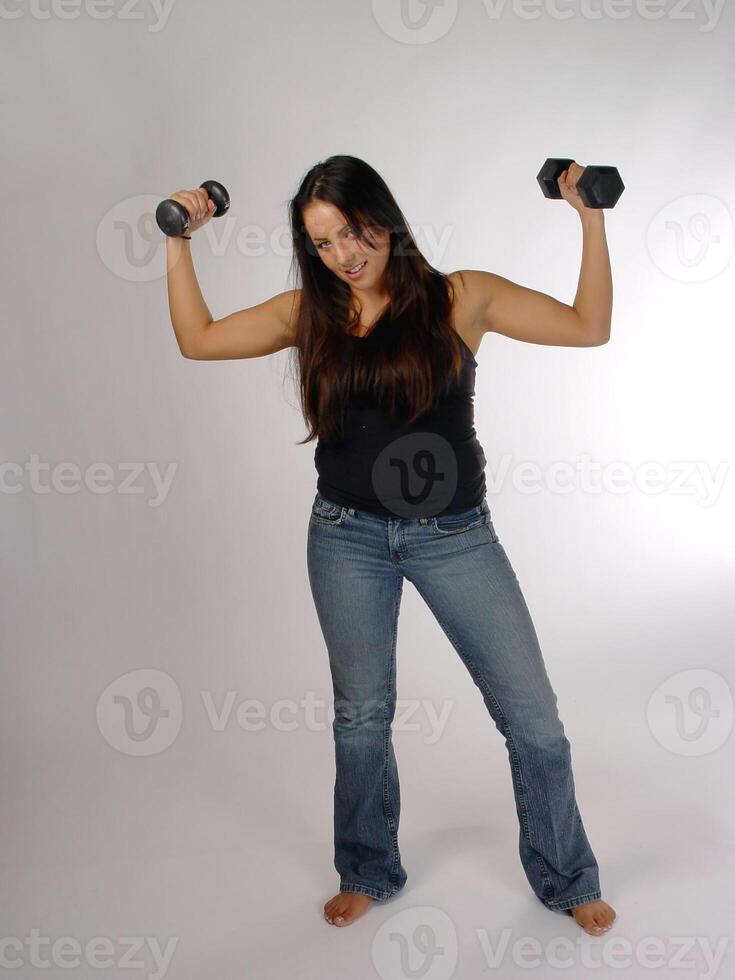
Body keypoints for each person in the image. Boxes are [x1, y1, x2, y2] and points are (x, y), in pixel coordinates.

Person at [164, 154, 617, 936]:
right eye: (322, 242)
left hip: (455, 538)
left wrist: (588, 215)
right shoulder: (306, 314)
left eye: (353, 230)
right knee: (361, 717)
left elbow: (588, 326)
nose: (344, 253)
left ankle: (567, 874)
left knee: (532, 718)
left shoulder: (460, 297)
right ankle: (367, 867)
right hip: (346, 540)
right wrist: (179, 241)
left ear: (385, 218)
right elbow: (197, 342)